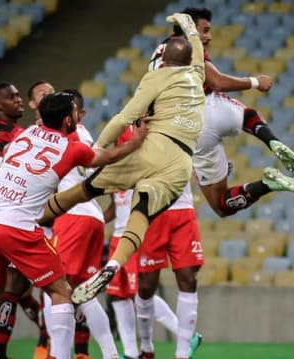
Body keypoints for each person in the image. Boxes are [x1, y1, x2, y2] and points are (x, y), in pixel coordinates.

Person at [35, 13, 207, 305]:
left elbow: (124, 118)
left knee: (86, 189)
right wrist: (190, 28)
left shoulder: (157, 76)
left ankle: (34, 218)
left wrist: (98, 148)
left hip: (153, 148)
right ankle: (113, 265)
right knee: (141, 212)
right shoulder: (198, 75)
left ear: (163, 60)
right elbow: (199, 54)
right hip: (180, 165)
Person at [0, 92, 148, 359]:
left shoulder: (27, 133)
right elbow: (106, 158)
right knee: (61, 290)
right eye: (75, 112)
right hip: (19, 226)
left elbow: (6, 158)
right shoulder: (71, 147)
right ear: (69, 119)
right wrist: (136, 142)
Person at [148, 7, 294, 218]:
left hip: (189, 130)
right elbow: (218, 82)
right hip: (208, 107)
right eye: (204, 31)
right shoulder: (187, 46)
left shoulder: (160, 51)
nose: (209, 37)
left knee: (221, 205)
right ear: (189, 28)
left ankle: (267, 184)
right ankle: (270, 140)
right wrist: (255, 82)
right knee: (247, 114)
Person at [104, 128, 203, 359]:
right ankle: (143, 348)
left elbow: (200, 163)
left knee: (188, 278)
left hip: (178, 213)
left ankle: (181, 351)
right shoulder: (125, 156)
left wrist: (215, 170)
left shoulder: (179, 126)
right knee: (140, 289)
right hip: (145, 221)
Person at [47, 89, 118, 359]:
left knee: (54, 285)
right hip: (93, 216)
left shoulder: (63, 136)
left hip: (72, 216)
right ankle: (111, 355)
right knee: (83, 293)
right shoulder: (87, 137)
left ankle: (57, 353)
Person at [0, 82, 43, 359]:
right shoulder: (15, 134)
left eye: (19, 95)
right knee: (14, 286)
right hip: (13, 214)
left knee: (11, 289)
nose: (18, 100)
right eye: (12, 97)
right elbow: (24, 164)